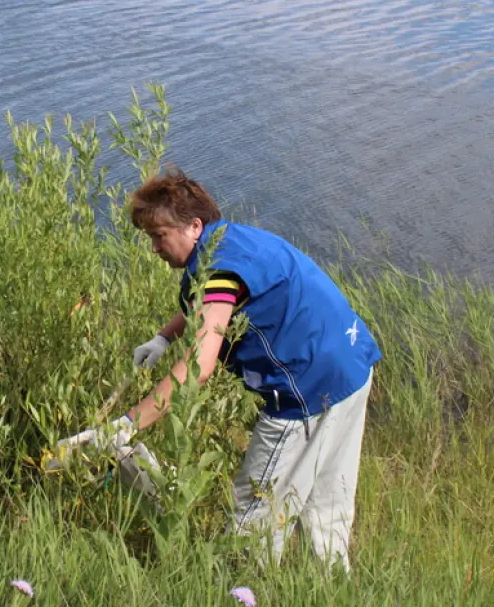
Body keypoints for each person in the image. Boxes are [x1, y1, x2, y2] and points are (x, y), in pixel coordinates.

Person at [52, 167, 381, 571]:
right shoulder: (230, 240)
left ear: (193, 226)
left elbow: (199, 368)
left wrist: (125, 425)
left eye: (159, 236)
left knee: (251, 515)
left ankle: (249, 588)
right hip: (350, 364)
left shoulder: (218, 271)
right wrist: (164, 338)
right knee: (327, 502)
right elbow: (212, 305)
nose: (154, 248)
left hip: (305, 389)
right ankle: (332, 588)